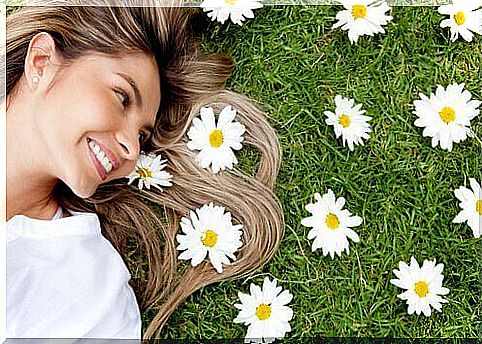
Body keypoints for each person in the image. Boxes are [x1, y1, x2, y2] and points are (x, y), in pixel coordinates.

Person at [5, 0, 284, 340]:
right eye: (122, 98)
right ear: (42, 61)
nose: (133, 150)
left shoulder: (88, 293)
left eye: (142, 135)